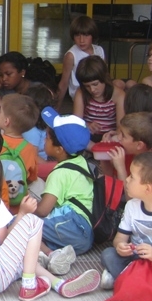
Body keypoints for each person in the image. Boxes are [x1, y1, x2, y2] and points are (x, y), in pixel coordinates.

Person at [0, 146, 101, 301]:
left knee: (25, 258)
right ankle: (30, 285)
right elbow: (4, 241)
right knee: (33, 222)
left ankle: (58, 284)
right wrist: (22, 213)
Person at [100, 151, 152, 300]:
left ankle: (126, 280)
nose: (126, 180)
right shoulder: (131, 206)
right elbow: (119, 238)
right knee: (108, 254)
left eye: (132, 177)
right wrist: (121, 246)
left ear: (148, 189)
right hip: (136, 260)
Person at [34, 108, 95, 275]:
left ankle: (49, 254)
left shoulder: (59, 173)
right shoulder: (81, 161)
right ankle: (50, 254)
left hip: (71, 226)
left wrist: (27, 208)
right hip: (85, 235)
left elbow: (43, 209)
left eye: (46, 137)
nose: (44, 141)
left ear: (60, 149)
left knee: (22, 224)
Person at [72, 55, 125, 143]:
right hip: (87, 137)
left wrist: (111, 137)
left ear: (104, 78)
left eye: (95, 84)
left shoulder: (119, 95)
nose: (92, 90)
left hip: (109, 138)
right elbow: (76, 122)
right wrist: (87, 125)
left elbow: (121, 127)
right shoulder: (81, 92)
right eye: (87, 86)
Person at [56, 16, 105, 109]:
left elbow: (105, 77)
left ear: (92, 35)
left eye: (86, 35)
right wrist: (56, 109)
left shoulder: (100, 50)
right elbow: (63, 83)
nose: (81, 40)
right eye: (77, 35)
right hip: (81, 94)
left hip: (98, 92)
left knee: (121, 84)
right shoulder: (71, 55)